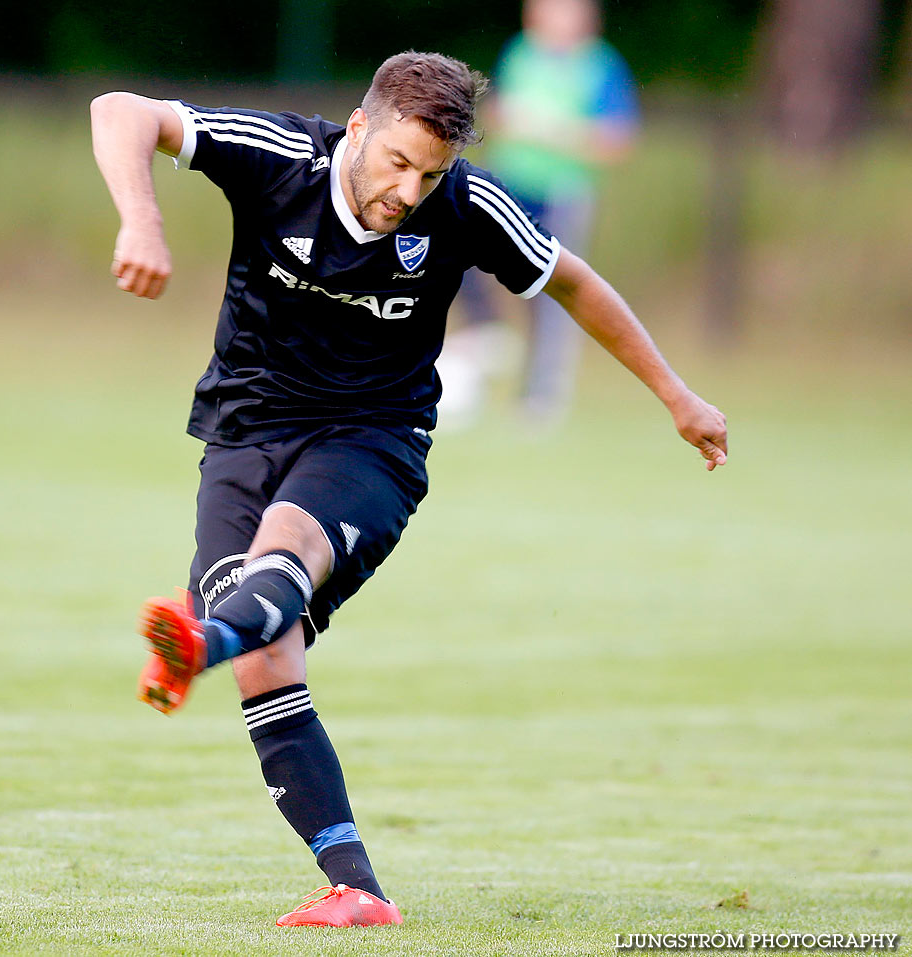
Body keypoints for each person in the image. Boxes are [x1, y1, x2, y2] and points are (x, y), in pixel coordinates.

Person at [89, 49, 725, 929]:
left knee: (285, 556)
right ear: (359, 127)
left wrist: (677, 394)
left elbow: (572, 282)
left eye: (428, 173)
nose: (406, 190)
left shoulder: (467, 204)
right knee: (266, 657)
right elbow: (120, 107)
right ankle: (356, 887)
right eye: (395, 162)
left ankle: (200, 637)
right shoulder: (283, 160)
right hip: (242, 430)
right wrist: (141, 222)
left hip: (372, 442)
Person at [442, 0, 639, 427]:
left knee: (554, 289)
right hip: (512, 185)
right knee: (460, 260)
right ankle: (484, 336)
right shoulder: (521, 53)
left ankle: (541, 395)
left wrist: (557, 131)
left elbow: (617, 140)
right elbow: (498, 112)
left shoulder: (601, 66)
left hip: (562, 192)